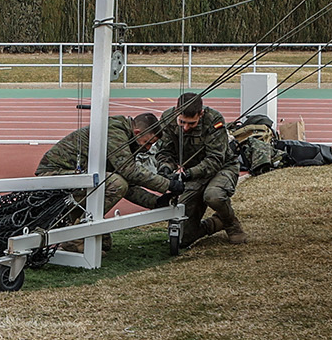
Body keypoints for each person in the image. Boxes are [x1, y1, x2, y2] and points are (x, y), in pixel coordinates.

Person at [35, 112, 181, 212]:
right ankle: (75, 232)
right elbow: (129, 172)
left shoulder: (129, 139)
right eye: (147, 143)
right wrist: (167, 184)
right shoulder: (116, 131)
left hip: (77, 176)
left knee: (104, 244)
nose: (148, 148)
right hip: (54, 175)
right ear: (137, 132)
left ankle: (80, 225)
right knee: (116, 183)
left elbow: (129, 182)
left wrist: (155, 201)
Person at [162, 92, 246, 246]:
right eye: (182, 122)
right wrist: (167, 169)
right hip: (192, 174)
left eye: (191, 123)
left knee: (213, 195)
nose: (186, 127)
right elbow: (165, 153)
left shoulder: (214, 120)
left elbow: (215, 159)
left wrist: (188, 173)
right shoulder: (167, 119)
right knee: (181, 239)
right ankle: (216, 223)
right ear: (176, 111)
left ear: (201, 114)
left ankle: (231, 223)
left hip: (221, 168)